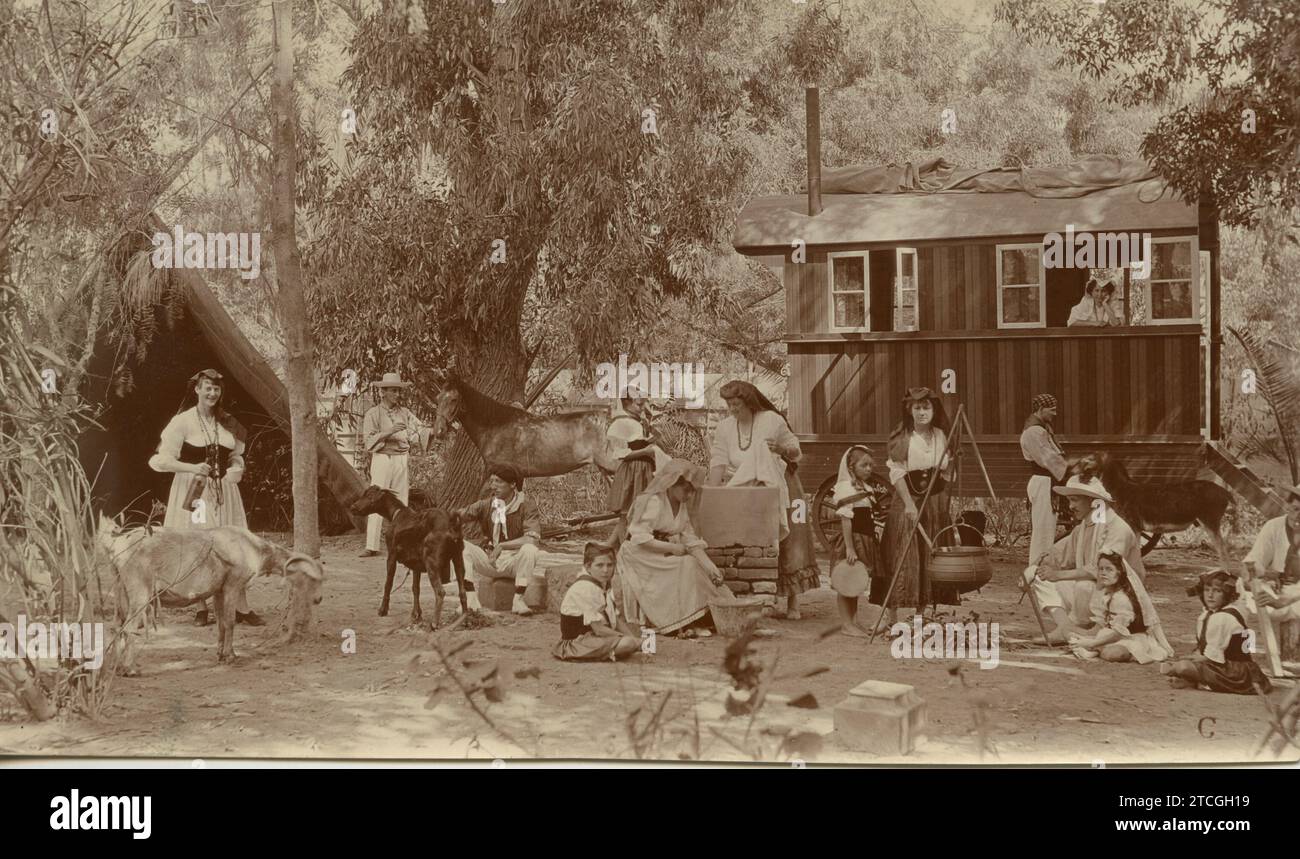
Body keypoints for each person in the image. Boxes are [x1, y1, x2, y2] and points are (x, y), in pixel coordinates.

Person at [148, 368, 262, 627]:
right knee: (199, 543)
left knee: (232, 544)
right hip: (195, 491)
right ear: (196, 389)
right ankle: (201, 607)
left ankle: (240, 607)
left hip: (225, 492)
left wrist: (237, 469)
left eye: (216, 388)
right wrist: (191, 468)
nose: (212, 393)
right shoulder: (182, 422)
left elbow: (236, 456)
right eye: (207, 387)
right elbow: (160, 460)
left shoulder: (228, 421)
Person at [707, 380, 820, 620]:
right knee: (756, 542)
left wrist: (780, 449)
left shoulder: (771, 420)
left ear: (749, 402)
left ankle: (793, 600)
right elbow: (718, 461)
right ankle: (761, 598)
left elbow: (796, 451)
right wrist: (714, 491)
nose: (732, 409)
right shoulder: (725, 427)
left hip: (783, 485)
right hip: (747, 488)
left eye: (736, 404)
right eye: (729, 404)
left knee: (790, 539)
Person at [1022, 474, 1146, 642]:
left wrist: (1059, 575)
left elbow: (1106, 572)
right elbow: (1056, 555)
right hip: (1093, 593)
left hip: (1121, 599)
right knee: (1038, 575)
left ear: (1093, 501)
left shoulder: (1117, 528)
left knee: (1083, 586)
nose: (1071, 506)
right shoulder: (1084, 527)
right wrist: (1031, 572)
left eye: (1075, 500)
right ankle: (1066, 629)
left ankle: (1084, 630)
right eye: (1070, 501)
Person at [617, 458, 730, 636]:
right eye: (686, 490)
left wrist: (710, 567)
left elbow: (690, 539)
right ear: (672, 484)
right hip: (639, 554)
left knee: (698, 567)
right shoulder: (653, 501)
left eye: (692, 491)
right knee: (686, 565)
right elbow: (640, 537)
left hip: (663, 551)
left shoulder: (683, 506)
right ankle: (679, 621)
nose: (689, 495)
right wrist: (671, 549)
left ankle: (706, 616)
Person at [877, 387, 960, 624]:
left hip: (933, 503)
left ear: (934, 410)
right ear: (909, 410)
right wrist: (908, 505)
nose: (922, 412)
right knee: (901, 552)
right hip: (908, 501)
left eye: (926, 407)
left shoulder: (941, 436)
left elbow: (947, 468)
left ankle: (921, 614)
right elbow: (897, 472)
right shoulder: (903, 437)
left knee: (929, 555)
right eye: (917, 408)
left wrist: (942, 497)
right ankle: (891, 615)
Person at [1161, 570, 1272, 694]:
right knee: (1184, 664)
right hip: (1223, 665)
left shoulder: (1223, 617)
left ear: (1227, 594)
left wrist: (1185, 662)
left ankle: (1190, 677)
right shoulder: (1209, 614)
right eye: (1207, 590)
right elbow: (1204, 648)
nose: (1210, 595)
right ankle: (1194, 681)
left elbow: (1211, 658)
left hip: (1237, 672)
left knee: (1182, 667)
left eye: (1217, 591)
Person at [359, 372, 429, 558]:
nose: (398, 395)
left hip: (401, 458)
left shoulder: (405, 413)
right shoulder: (373, 414)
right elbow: (368, 440)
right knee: (376, 500)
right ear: (383, 392)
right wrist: (389, 432)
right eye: (393, 391)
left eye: (399, 391)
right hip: (382, 458)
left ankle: (403, 542)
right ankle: (371, 545)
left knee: (401, 500)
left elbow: (419, 431)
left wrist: (431, 431)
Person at [459, 463, 542, 616]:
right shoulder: (487, 504)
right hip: (490, 562)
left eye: (498, 481)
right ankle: (470, 599)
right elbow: (459, 515)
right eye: (492, 481)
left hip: (515, 564)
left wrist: (502, 546)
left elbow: (532, 539)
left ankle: (518, 600)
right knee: (460, 546)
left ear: (512, 484)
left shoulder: (526, 505)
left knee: (530, 550)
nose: (493, 486)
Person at [1066, 551, 1173, 663]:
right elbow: (1103, 623)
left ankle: (1096, 649)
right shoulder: (1106, 593)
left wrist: (1091, 643)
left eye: (1109, 569)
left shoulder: (1121, 598)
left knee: (1112, 654)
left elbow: (1119, 633)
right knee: (1069, 634)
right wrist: (1087, 636)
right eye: (1101, 569)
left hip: (1130, 638)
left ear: (1119, 572)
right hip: (1110, 634)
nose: (1103, 573)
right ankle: (1095, 648)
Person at [604, 385, 672, 545]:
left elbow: (654, 440)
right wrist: (646, 452)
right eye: (639, 404)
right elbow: (620, 454)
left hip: (645, 470)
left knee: (642, 511)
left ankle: (634, 548)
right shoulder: (621, 423)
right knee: (627, 513)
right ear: (626, 403)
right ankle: (624, 549)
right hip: (632, 471)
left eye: (643, 404)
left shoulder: (640, 421)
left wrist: (651, 432)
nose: (642, 408)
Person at [552, 543, 641, 662]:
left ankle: (617, 649)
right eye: (599, 565)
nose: (605, 570)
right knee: (628, 643)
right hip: (578, 642)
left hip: (594, 636)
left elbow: (616, 619)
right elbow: (598, 629)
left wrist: (634, 638)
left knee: (633, 639)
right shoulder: (585, 587)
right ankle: (611, 653)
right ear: (588, 567)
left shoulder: (602, 583)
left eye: (610, 565)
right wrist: (633, 641)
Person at [830, 445, 884, 637]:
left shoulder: (865, 487)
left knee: (856, 582)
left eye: (871, 465)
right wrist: (850, 548)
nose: (869, 469)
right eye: (864, 465)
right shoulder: (846, 488)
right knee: (846, 582)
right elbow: (846, 519)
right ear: (851, 467)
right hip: (853, 540)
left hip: (865, 539)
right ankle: (846, 624)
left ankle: (853, 621)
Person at [1240, 483, 1300, 641]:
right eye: (1296, 509)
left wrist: (1284, 600)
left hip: (1296, 596)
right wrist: (1257, 576)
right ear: (1287, 507)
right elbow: (1253, 561)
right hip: (1279, 590)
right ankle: (1245, 652)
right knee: (1245, 592)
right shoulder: (1274, 527)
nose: (1299, 516)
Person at [1020, 393, 1067, 567]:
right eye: (1052, 410)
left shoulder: (1043, 428)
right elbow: (1050, 459)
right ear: (1040, 409)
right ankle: (1038, 569)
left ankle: (1043, 566)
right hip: (1043, 482)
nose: (1054, 414)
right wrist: (1069, 471)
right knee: (1043, 532)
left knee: (1047, 530)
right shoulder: (1035, 431)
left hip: (1047, 481)